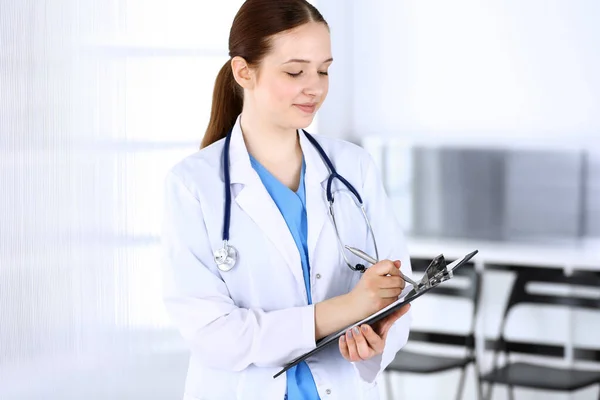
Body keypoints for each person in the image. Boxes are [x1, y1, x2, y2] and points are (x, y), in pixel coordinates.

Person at [161, 0, 413, 399]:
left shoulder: (353, 168)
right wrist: (346, 308)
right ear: (244, 71)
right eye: (295, 71)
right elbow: (213, 334)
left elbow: (393, 292)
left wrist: (377, 338)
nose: (314, 86)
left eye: (324, 70)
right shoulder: (194, 185)